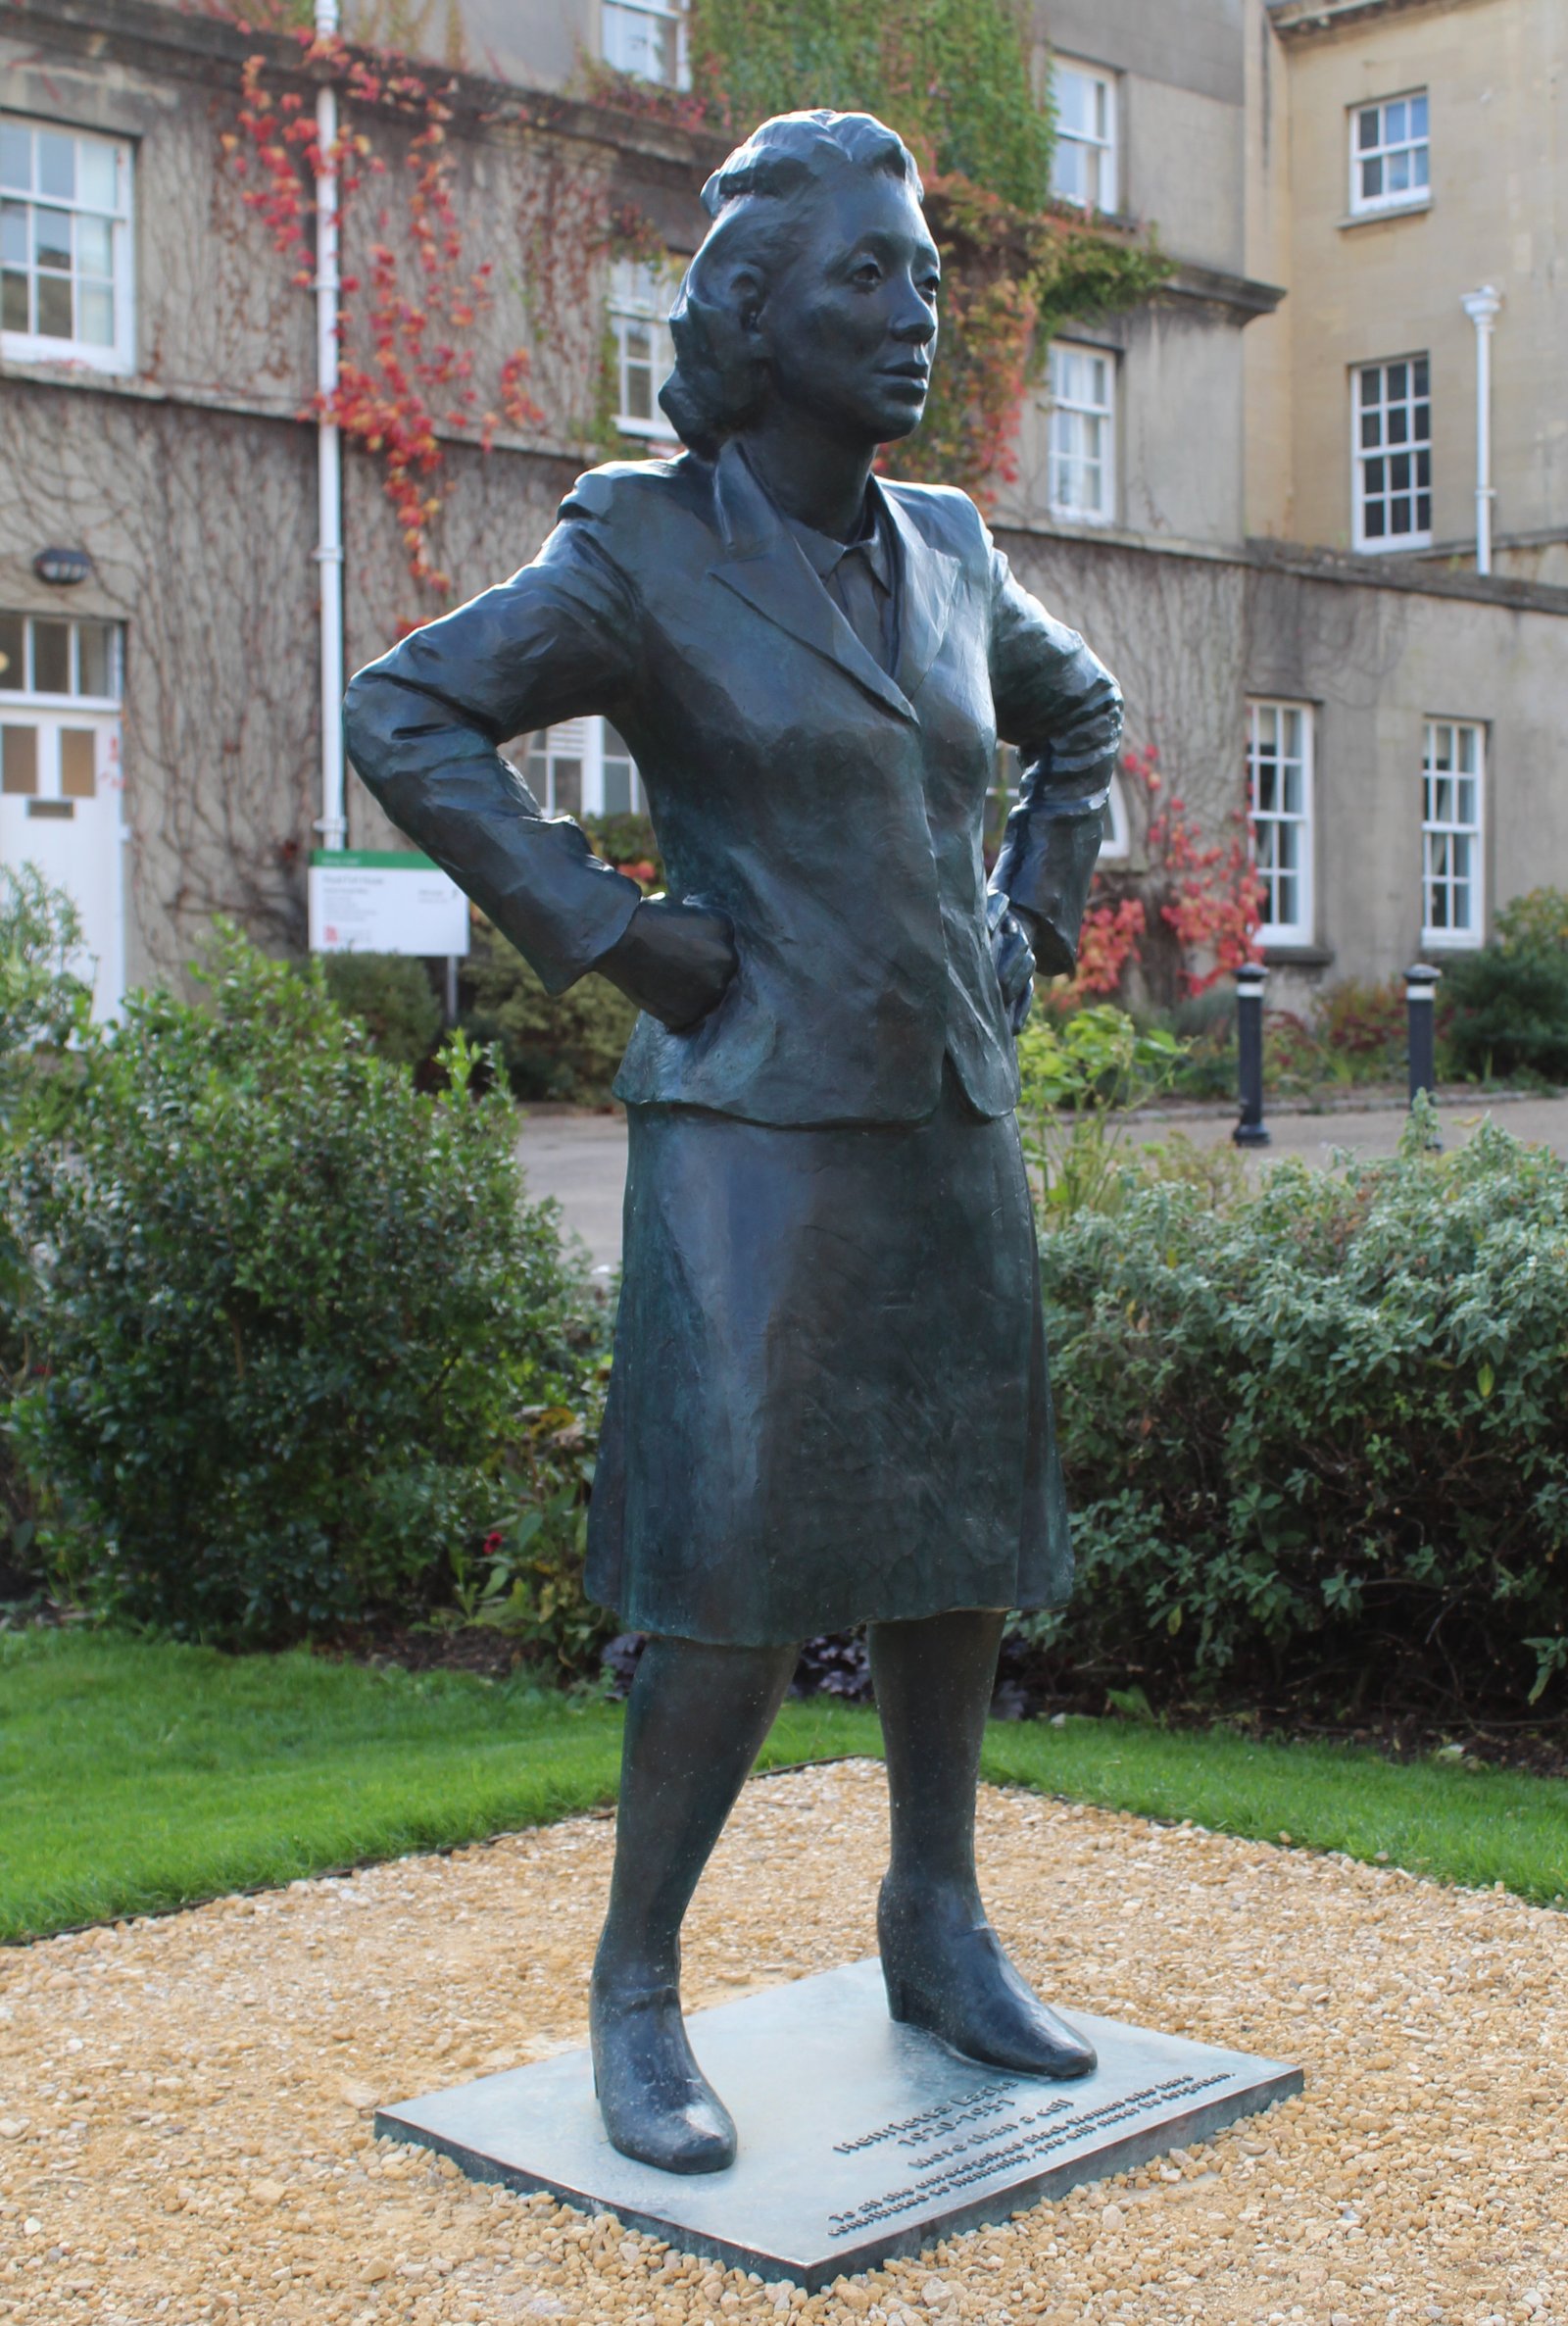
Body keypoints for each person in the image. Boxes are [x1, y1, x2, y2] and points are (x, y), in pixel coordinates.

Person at [343, 108, 1123, 2179]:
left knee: (956, 1540)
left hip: (942, 1109)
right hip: (752, 1127)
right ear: (753, 317)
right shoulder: (641, 542)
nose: (913, 319)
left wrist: (1030, 914)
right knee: (727, 1570)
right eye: (866, 280)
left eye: (922, 282)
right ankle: (634, 1982)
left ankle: (934, 1922)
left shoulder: (949, 547)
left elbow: (1083, 717)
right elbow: (407, 713)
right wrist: (614, 934)